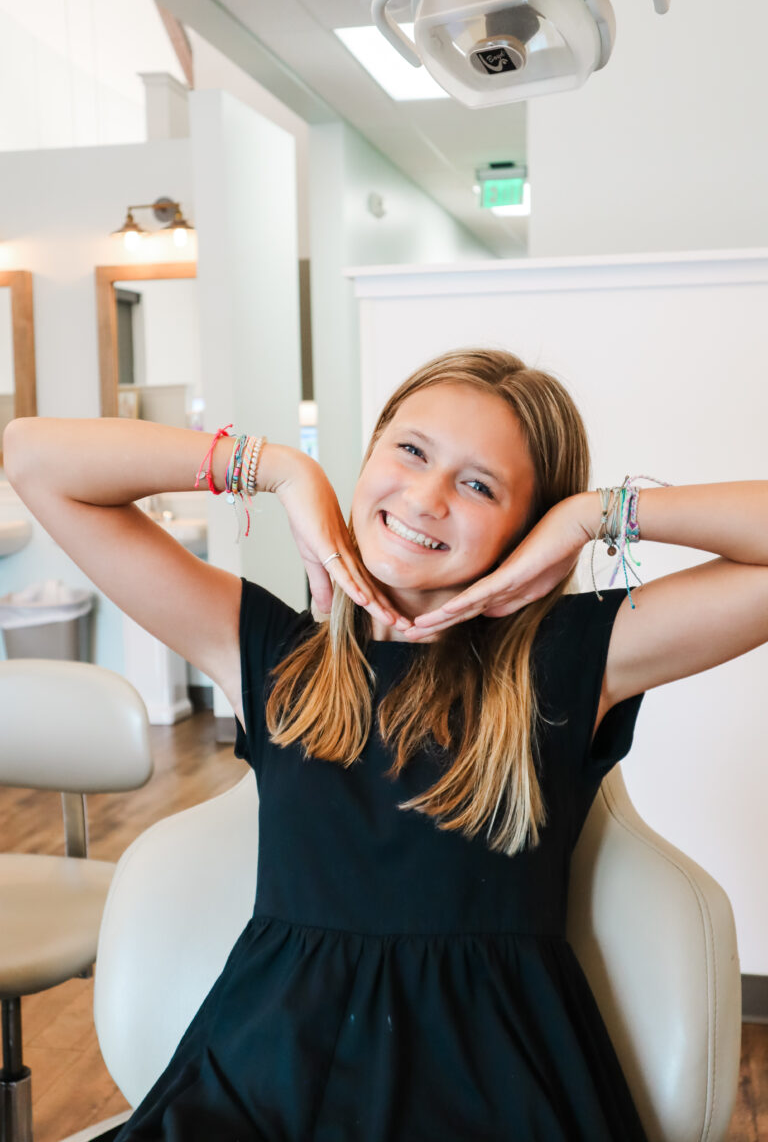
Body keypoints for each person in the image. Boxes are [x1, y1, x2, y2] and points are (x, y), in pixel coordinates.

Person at [4, 346, 768, 1141]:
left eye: (480, 485)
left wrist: (590, 516)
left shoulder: (567, 659)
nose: (427, 497)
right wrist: (280, 470)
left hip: (492, 1099)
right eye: (410, 450)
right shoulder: (269, 650)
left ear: (526, 526)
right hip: (265, 1091)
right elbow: (32, 455)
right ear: (370, 454)